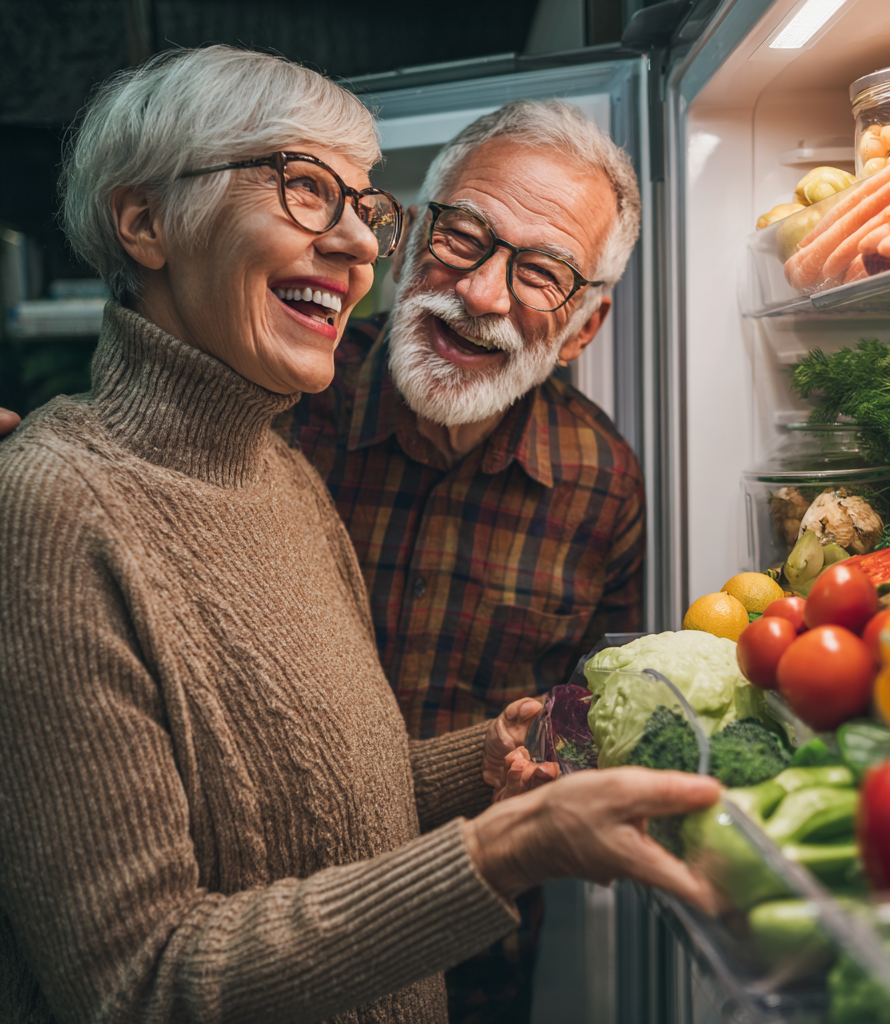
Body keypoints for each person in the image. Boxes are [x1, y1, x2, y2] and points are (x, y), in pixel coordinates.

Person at [0, 46, 720, 1024]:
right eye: (304, 189)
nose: (359, 246)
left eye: (360, 206)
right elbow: (137, 981)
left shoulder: (284, 472)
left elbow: (317, 800)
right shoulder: (59, 502)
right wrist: (506, 848)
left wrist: (480, 761)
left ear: (583, 325)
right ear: (144, 221)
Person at [276, 100, 645, 1022]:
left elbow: (587, 709)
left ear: (585, 328)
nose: (479, 295)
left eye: (542, 273)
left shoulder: (602, 485)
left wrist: (561, 765)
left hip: (471, 959)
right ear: (408, 238)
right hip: (252, 933)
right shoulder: (278, 406)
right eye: (465, 235)